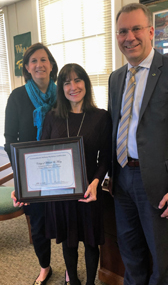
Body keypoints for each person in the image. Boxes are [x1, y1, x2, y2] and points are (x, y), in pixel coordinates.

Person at [108, 3, 168, 285]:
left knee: (160, 258)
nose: (129, 37)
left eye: (136, 29)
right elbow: (115, 126)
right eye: (122, 31)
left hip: (159, 184)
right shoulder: (115, 78)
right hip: (122, 178)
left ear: (150, 32)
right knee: (130, 251)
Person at [41, 63, 112, 285]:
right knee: (68, 242)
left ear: (86, 83)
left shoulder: (100, 117)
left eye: (77, 80)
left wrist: (96, 182)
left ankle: (90, 282)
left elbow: (107, 157)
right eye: (67, 82)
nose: (73, 86)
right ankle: (73, 282)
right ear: (61, 88)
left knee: (91, 243)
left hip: (88, 190)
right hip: (61, 192)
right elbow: (41, 155)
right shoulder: (52, 117)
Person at [4, 42, 58, 285]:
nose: (39, 64)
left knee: (66, 220)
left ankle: (69, 265)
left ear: (51, 64)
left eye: (43, 59)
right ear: (27, 67)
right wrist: (21, 175)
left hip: (60, 169)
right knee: (37, 224)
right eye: (33, 61)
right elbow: (9, 139)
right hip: (31, 173)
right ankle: (45, 266)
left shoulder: (64, 94)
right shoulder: (17, 97)